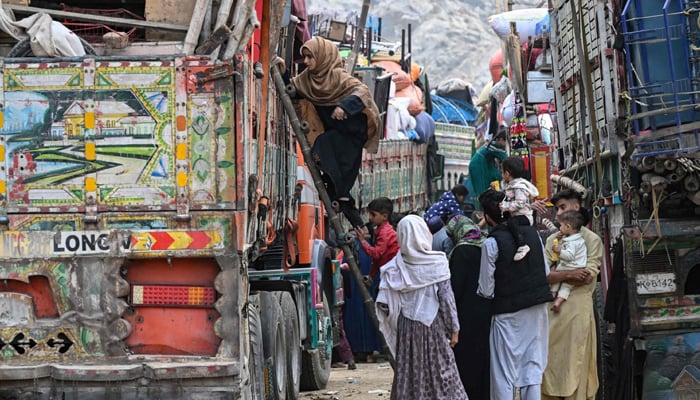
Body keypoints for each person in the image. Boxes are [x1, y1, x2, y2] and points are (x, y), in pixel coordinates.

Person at [289, 36, 382, 229]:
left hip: (351, 136)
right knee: (335, 186)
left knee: (326, 152)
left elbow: (362, 92)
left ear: (323, 57)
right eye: (304, 57)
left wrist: (344, 107)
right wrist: (280, 70)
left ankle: (349, 210)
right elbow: (293, 90)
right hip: (332, 134)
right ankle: (359, 225)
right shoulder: (307, 80)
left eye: (310, 57)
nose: (306, 62)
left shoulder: (339, 78)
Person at [375, 215, 467, 400]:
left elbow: (384, 304)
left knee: (410, 373)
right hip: (434, 327)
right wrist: (454, 329)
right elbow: (447, 300)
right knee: (442, 372)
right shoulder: (437, 264)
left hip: (407, 328)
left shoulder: (394, 267)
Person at [476, 189, 552, 400]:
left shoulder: (491, 243)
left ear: (488, 216)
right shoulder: (533, 235)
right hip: (537, 309)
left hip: (507, 313)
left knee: (504, 372)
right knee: (532, 367)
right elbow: (545, 272)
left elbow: (486, 289)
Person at [540, 189, 602, 400]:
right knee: (550, 366)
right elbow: (545, 276)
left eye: (562, 208)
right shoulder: (552, 241)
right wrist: (572, 273)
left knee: (577, 366)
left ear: (576, 208)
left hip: (578, 313)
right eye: (557, 209)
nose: (558, 214)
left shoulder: (591, 240)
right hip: (553, 314)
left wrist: (561, 275)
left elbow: (587, 278)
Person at [445, 214, 491, 400]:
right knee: (484, 358)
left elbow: (455, 288)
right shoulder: (487, 245)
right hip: (486, 311)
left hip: (465, 313)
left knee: (466, 359)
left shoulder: (460, 251)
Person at [498, 156, 539, 261]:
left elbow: (520, 203)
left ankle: (522, 245)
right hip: (518, 215)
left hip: (524, 216)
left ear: (507, 173)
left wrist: (506, 207)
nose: (501, 175)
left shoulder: (519, 186)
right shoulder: (512, 185)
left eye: (502, 172)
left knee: (512, 222)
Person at [354, 197, 399, 286]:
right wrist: (371, 275)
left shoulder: (384, 232)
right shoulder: (382, 230)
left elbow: (376, 254)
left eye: (373, 215)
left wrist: (363, 241)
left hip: (393, 273)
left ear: (384, 216)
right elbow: (378, 259)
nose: (370, 218)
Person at [550, 210, 587, 313]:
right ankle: (558, 301)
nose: (560, 229)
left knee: (556, 276)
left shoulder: (572, 242)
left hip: (570, 266)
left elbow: (569, 255)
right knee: (566, 287)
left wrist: (559, 251)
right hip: (579, 267)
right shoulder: (577, 239)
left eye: (561, 226)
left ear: (568, 227)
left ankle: (552, 294)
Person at [467, 130, 508, 205]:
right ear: (501, 139)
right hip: (479, 164)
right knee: (482, 188)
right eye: (506, 141)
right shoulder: (496, 145)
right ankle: (482, 209)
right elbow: (506, 159)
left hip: (481, 163)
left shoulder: (492, 144)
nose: (506, 144)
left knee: (495, 177)